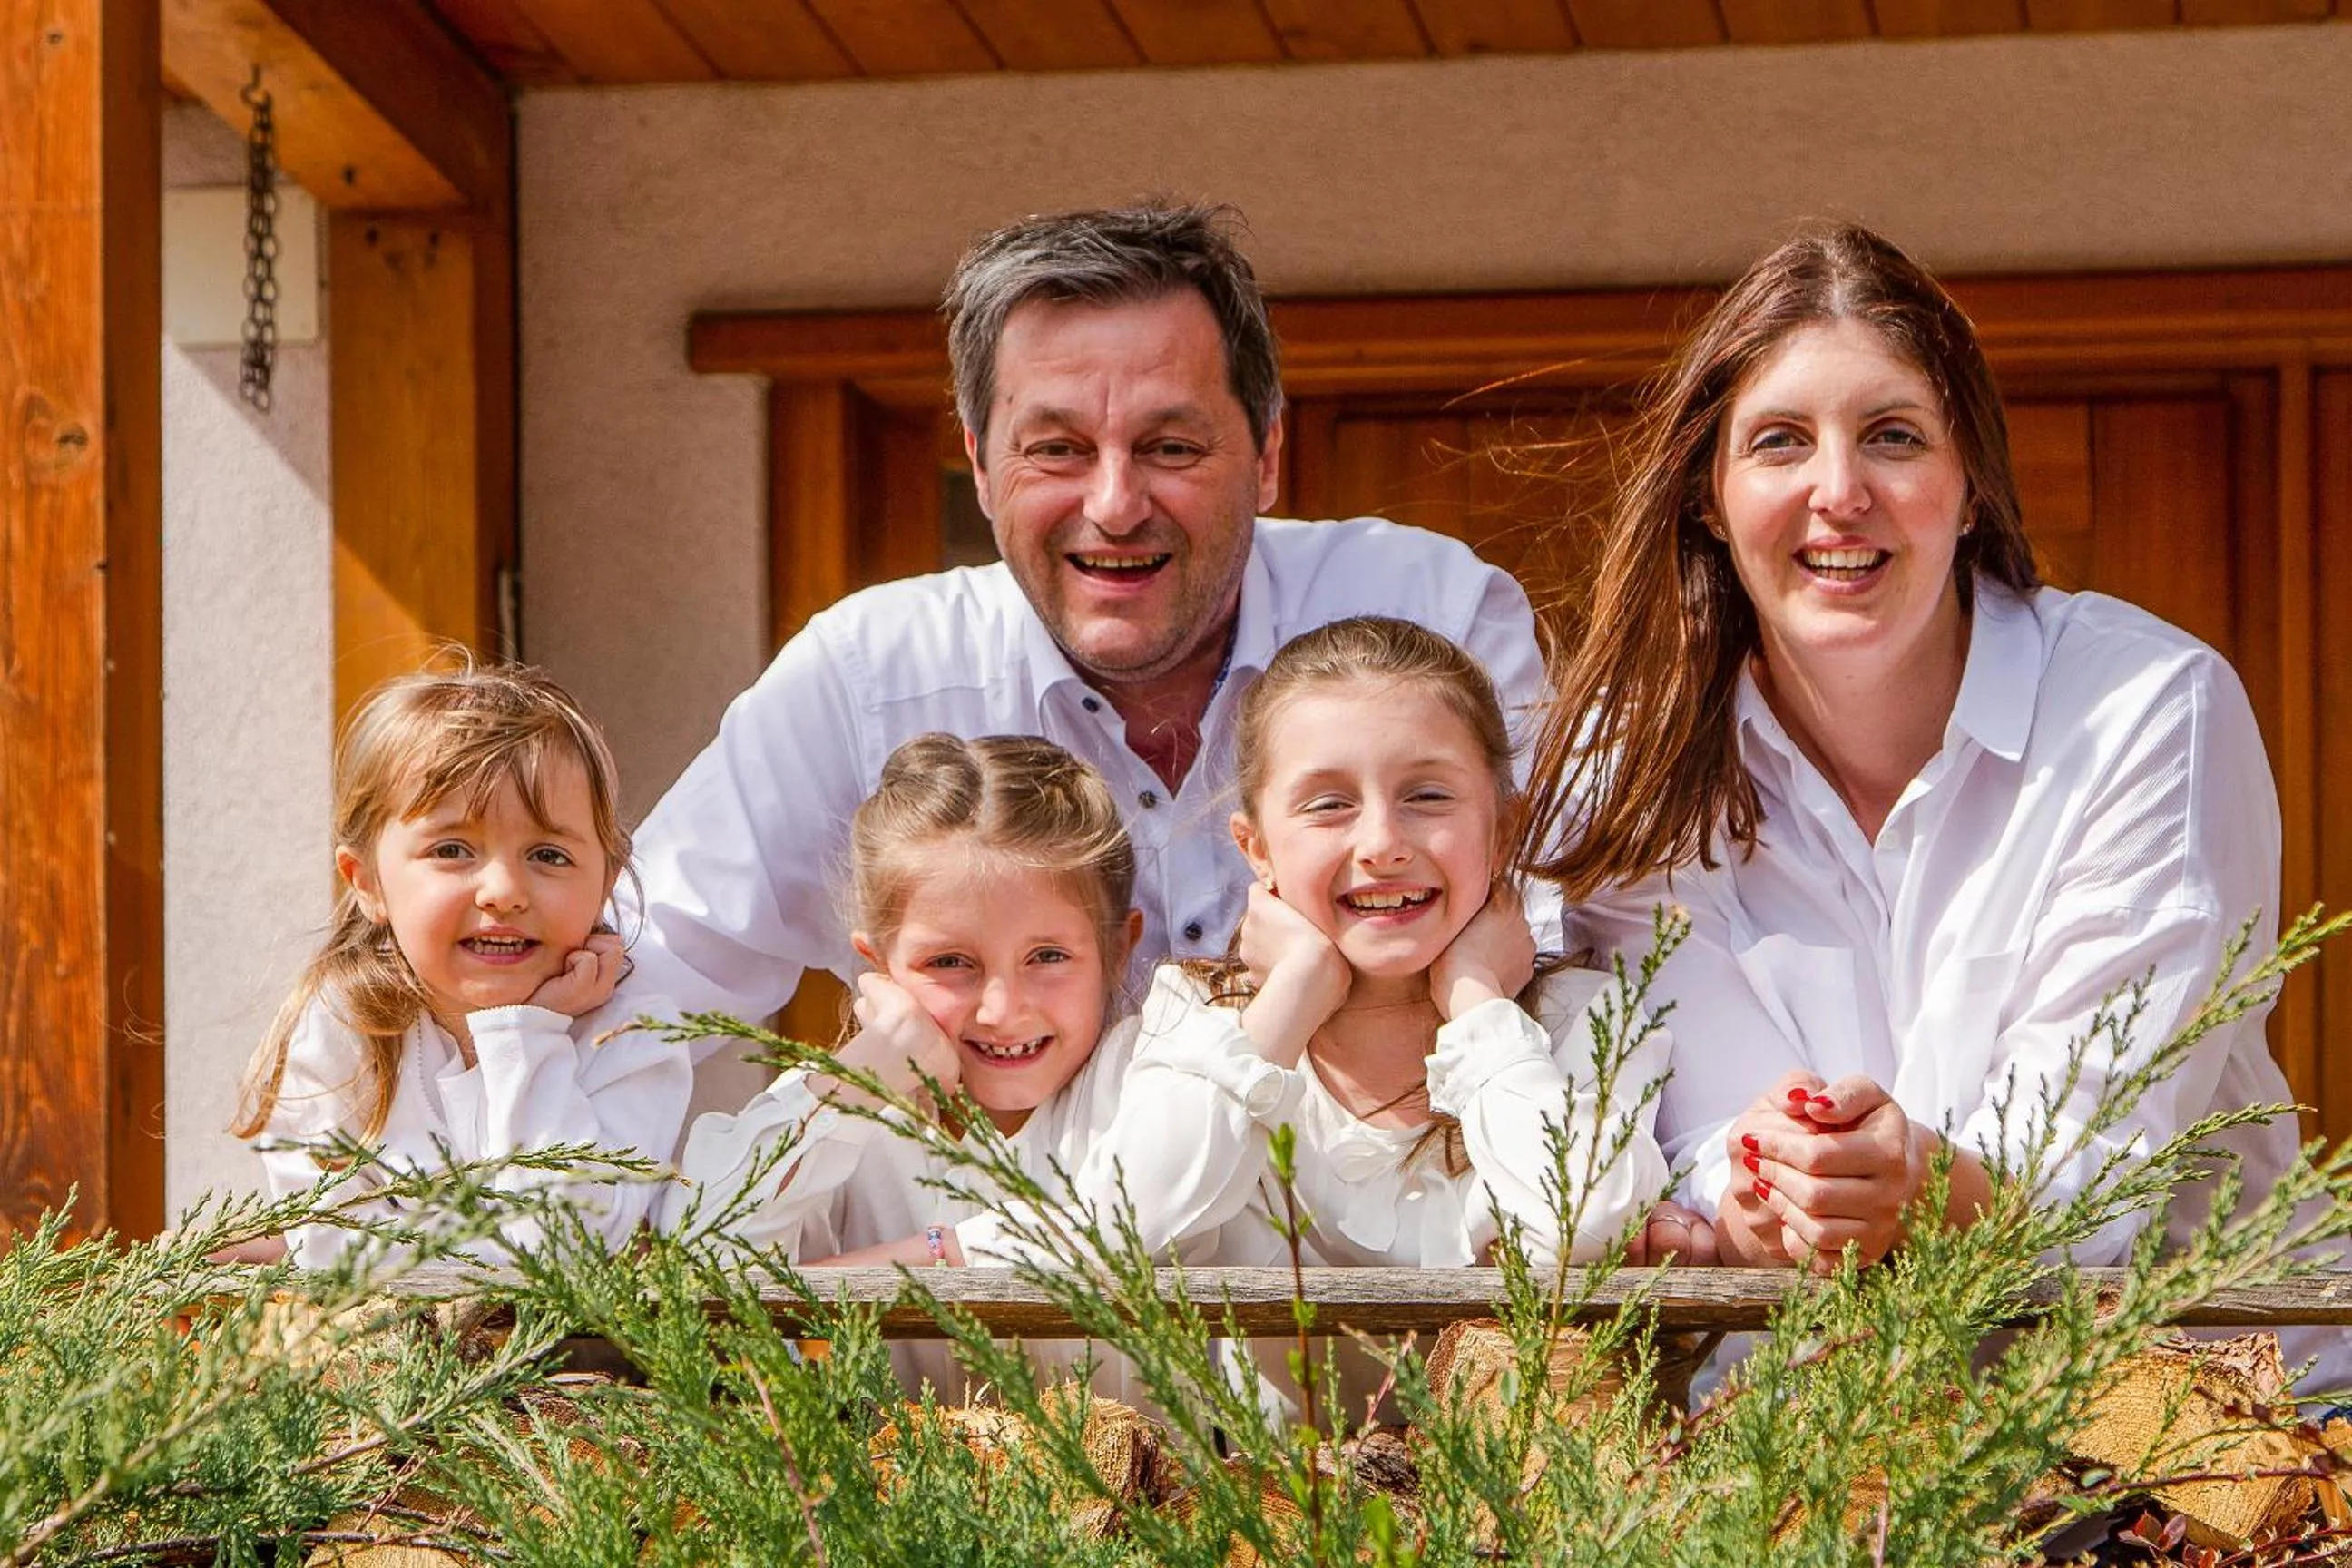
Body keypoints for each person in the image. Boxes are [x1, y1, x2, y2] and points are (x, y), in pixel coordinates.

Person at [1519, 223, 2305, 1289]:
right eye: (1780, 442)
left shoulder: (2147, 708)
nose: (1839, 491)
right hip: (1803, 1381)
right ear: (1709, 497)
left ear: (1972, 485)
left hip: (2175, 1367)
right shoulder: (1630, 769)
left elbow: (2095, 1180)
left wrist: (1918, 1187)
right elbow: (1700, 1137)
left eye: (1892, 436)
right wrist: (1756, 1195)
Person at [598, 202, 1545, 1045]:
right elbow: (643, 975)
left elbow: (1586, 920)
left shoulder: (1434, 613)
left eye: (1170, 446)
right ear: (980, 464)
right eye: (1056, 450)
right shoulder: (864, 677)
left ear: (1266, 455)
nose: (1115, 504)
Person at [663, 733, 1218, 1405]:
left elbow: (1122, 1223)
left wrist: (927, 1258)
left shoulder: (1156, 1082)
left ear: (1118, 949)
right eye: (949, 963)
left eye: (1047, 957)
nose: (1002, 1010)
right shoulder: (842, 1116)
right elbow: (701, 1257)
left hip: (1142, 1473)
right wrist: (856, 1079)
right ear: (878, 965)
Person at [235, 662, 691, 1269]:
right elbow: (330, 1250)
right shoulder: (343, 1027)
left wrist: (528, 1036)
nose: (504, 891)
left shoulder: (631, 1037)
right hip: (385, 1334)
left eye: (549, 855)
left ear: (606, 881)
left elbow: (563, 1248)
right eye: (452, 849)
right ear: (366, 881)